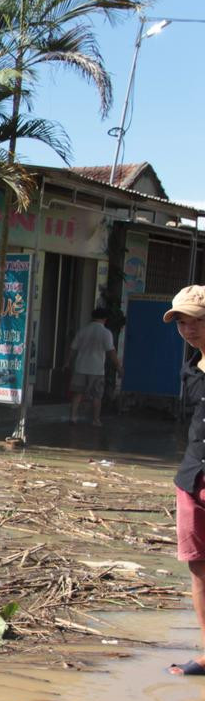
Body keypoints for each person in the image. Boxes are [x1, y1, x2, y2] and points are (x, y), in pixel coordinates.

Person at [165, 286, 205, 676]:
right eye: (181, 321)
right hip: (193, 478)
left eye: (195, 319)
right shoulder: (191, 369)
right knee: (198, 569)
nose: (187, 328)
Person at [66, 307, 121, 426]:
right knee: (97, 396)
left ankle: (73, 417)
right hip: (97, 370)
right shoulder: (106, 333)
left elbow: (73, 349)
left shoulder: (83, 330)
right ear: (105, 319)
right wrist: (119, 367)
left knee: (77, 394)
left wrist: (68, 362)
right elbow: (111, 352)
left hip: (80, 367)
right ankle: (95, 420)